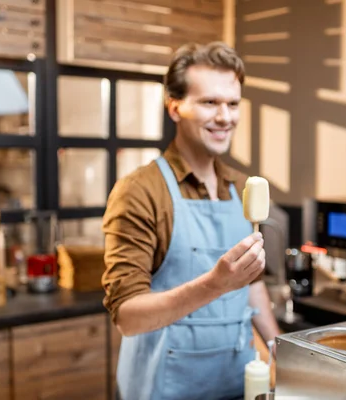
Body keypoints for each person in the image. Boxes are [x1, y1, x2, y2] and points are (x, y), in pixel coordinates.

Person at [102, 41, 281, 400]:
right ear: (175, 107)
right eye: (209, 103)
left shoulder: (240, 188)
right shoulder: (140, 192)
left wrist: (281, 350)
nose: (225, 117)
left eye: (232, 104)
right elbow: (127, 316)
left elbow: (251, 285)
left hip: (236, 385)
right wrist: (214, 284)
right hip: (164, 388)